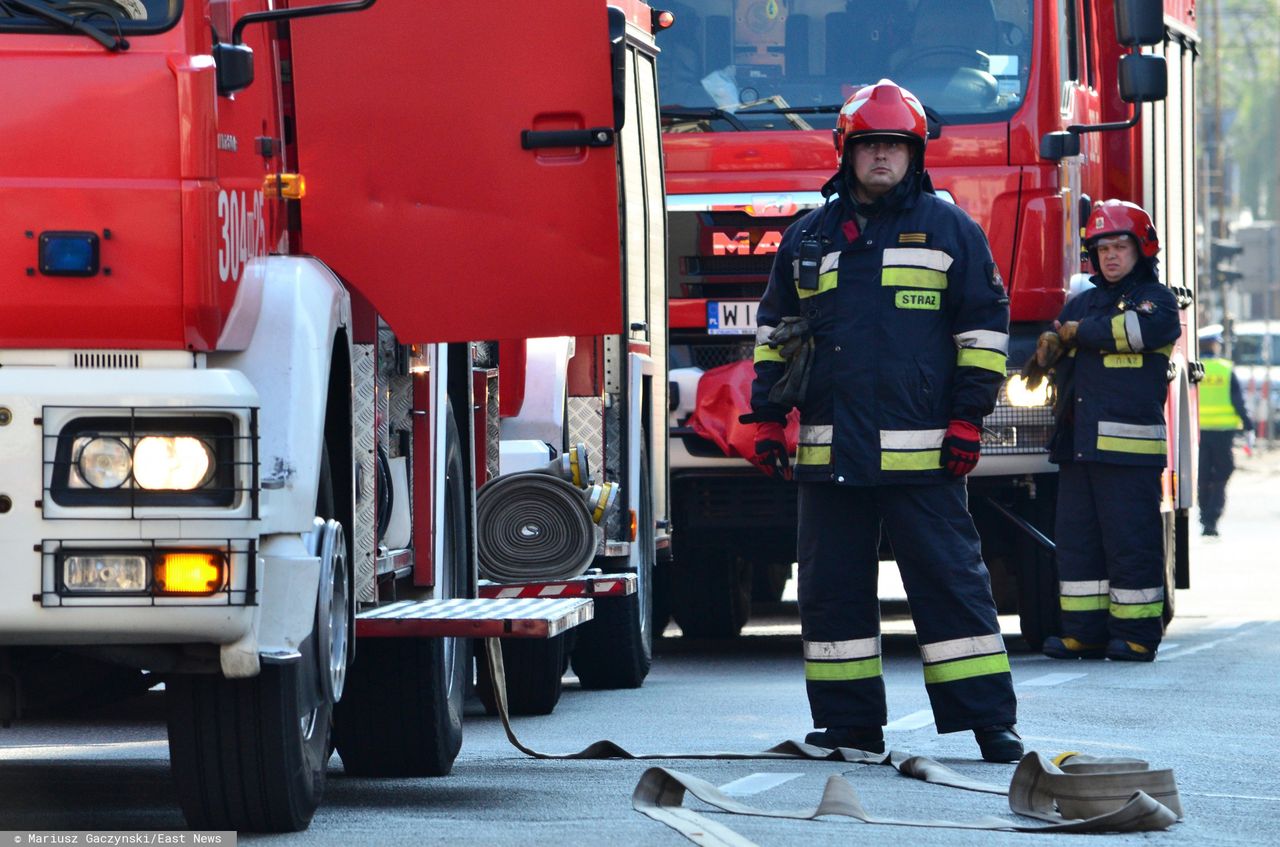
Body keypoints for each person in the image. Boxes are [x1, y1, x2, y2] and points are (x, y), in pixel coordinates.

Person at [742, 79, 1021, 762]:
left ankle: (989, 721)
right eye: (870, 145)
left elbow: (984, 331)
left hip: (923, 455)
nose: (882, 158)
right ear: (847, 152)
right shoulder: (807, 238)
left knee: (952, 586)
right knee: (832, 595)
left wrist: (967, 420)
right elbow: (777, 333)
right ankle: (849, 723)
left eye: (894, 146)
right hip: (829, 453)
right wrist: (767, 417)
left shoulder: (952, 229)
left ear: (915, 154)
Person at [1039, 200, 1182, 663]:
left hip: (1129, 452)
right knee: (1078, 544)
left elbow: (1137, 329)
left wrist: (1078, 333)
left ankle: (1138, 635)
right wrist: (1046, 350)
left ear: (1142, 250)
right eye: (1102, 249)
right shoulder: (1082, 301)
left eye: (1120, 246)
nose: (1111, 256)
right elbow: (1065, 338)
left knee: (1131, 544)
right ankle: (1084, 632)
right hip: (1079, 449)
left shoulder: (1158, 301)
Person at [1197, 332, 1254, 536]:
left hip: (1198, 432)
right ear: (1213, 345)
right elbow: (1238, 401)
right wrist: (1248, 426)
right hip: (1223, 433)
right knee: (1222, 474)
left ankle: (1205, 516)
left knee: (1202, 476)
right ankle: (1213, 515)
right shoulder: (1225, 369)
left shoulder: (1192, 368)